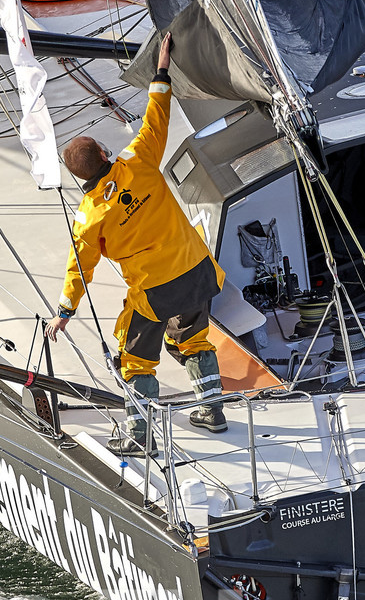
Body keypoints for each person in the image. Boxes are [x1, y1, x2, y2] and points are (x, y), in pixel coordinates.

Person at [46, 34, 229, 447]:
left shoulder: (89, 217)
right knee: (194, 339)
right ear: (106, 155)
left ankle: (138, 437)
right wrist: (161, 68)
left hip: (155, 292)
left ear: (78, 176)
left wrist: (64, 311)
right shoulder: (138, 160)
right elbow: (156, 115)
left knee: (135, 360)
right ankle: (212, 412)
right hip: (196, 269)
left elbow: (80, 267)